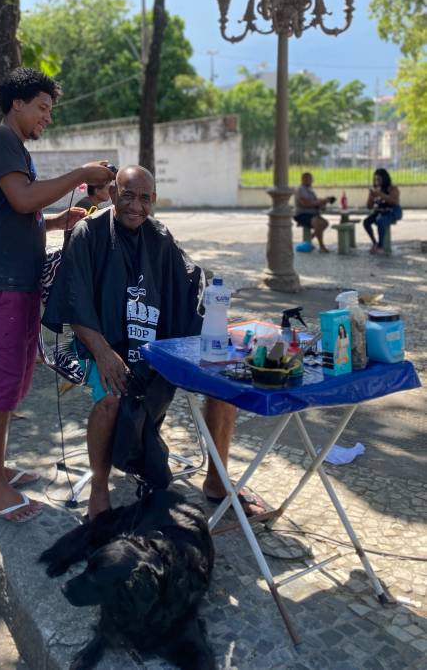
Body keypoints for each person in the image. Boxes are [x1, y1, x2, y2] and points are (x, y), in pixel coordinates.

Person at [43, 166, 269, 521]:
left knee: (224, 385)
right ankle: (99, 491)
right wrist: (103, 353)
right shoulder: (89, 232)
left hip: (154, 345)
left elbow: (190, 287)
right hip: (100, 341)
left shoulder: (159, 236)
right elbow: (75, 303)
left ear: (154, 200)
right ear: (113, 195)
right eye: (128, 196)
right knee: (111, 400)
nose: (136, 206)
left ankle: (216, 481)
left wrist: (220, 326)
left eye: (145, 198)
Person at [0, 67, 114, 524]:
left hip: (13, 281)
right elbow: (23, 199)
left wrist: (58, 222)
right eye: (41, 107)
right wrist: (81, 173)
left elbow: (17, 213)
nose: (46, 117)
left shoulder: (16, 150)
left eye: (50, 110)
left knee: (13, 378)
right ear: (17, 104)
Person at [363, 168, 402, 254]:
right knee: (366, 222)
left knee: (380, 221)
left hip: (393, 211)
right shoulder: (375, 189)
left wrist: (380, 194)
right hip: (381, 211)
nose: (377, 182)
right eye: (375, 179)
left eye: (379, 179)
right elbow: (369, 207)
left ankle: (381, 247)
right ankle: (375, 243)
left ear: (384, 179)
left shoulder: (392, 188)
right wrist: (371, 198)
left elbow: (394, 201)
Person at [293, 172, 335, 253]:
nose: (311, 181)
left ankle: (308, 240)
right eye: (309, 179)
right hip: (302, 214)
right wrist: (322, 201)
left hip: (313, 214)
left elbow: (315, 202)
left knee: (325, 223)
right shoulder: (300, 189)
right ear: (303, 179)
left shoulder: (310, 190)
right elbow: (306, 203)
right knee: (318, 223)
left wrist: (322, 203)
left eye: (311, 179)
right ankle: (321, 246)